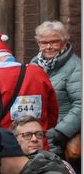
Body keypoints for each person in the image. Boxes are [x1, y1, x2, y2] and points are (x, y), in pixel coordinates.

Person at [33, 21, 82, 155]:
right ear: (39, 44)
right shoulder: (34, 65)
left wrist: (59, 133)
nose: (49, 47)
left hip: (60, 137)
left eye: (54, 42)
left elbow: (80, 104)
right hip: (36, 133)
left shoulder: (76, 67)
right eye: (44, 42)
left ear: (64, 43)